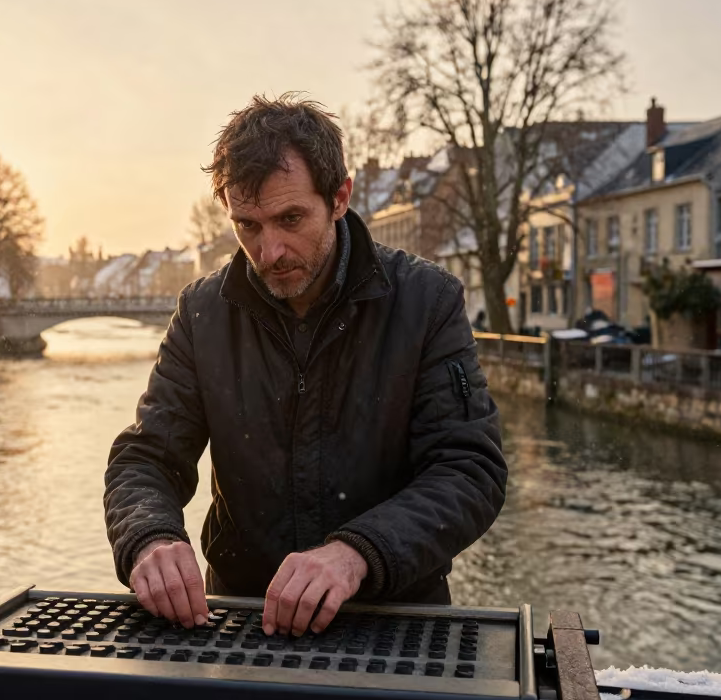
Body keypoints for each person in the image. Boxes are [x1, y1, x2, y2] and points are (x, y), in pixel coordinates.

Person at [104, 94, 506, 639]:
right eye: (247, 225)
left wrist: (356, 553)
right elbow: (147, 456)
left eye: (290, 219)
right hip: (243, 621)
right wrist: (149, 536)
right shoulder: (203, 315)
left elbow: (468, 470)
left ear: (340, 197)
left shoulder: (426, 301)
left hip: (394, 619)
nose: (269, 251)